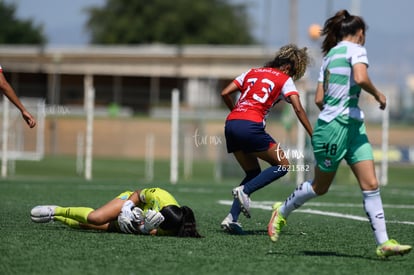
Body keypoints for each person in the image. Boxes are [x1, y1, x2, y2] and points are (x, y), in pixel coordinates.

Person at [267, 10, 412, 258]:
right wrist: (377, 95)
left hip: (350, 127)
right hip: (335, 129)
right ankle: (282, 211)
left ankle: (384, 242)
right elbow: (360, 76)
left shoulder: (329, 56)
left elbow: (320, 99)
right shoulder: (356, 49)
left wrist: (338, 110)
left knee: (371, 184)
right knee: (319, 187)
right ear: (360, 33)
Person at [220, 44, 313, 234]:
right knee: (283, 165)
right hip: (251, 126)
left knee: (253, 173)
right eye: (295, 72)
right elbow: (298, 108)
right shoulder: (285, 79)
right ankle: (244, 192)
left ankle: (232, 218)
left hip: (231, 124)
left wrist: (236, 114)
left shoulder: (251, 72)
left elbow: (225, 92)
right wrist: (314, 134)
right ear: (288, 67)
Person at [31, 187, 202, 238]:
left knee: (87, 225)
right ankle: (56, 209)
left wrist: (142, 228)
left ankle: (55, 218)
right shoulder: (160, 196)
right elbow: (137, 194)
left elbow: (154, 231)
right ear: (162, 209)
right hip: (130, 201)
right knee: (96, 218)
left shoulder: (171, 228)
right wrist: (127, 208)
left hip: (135, 222)